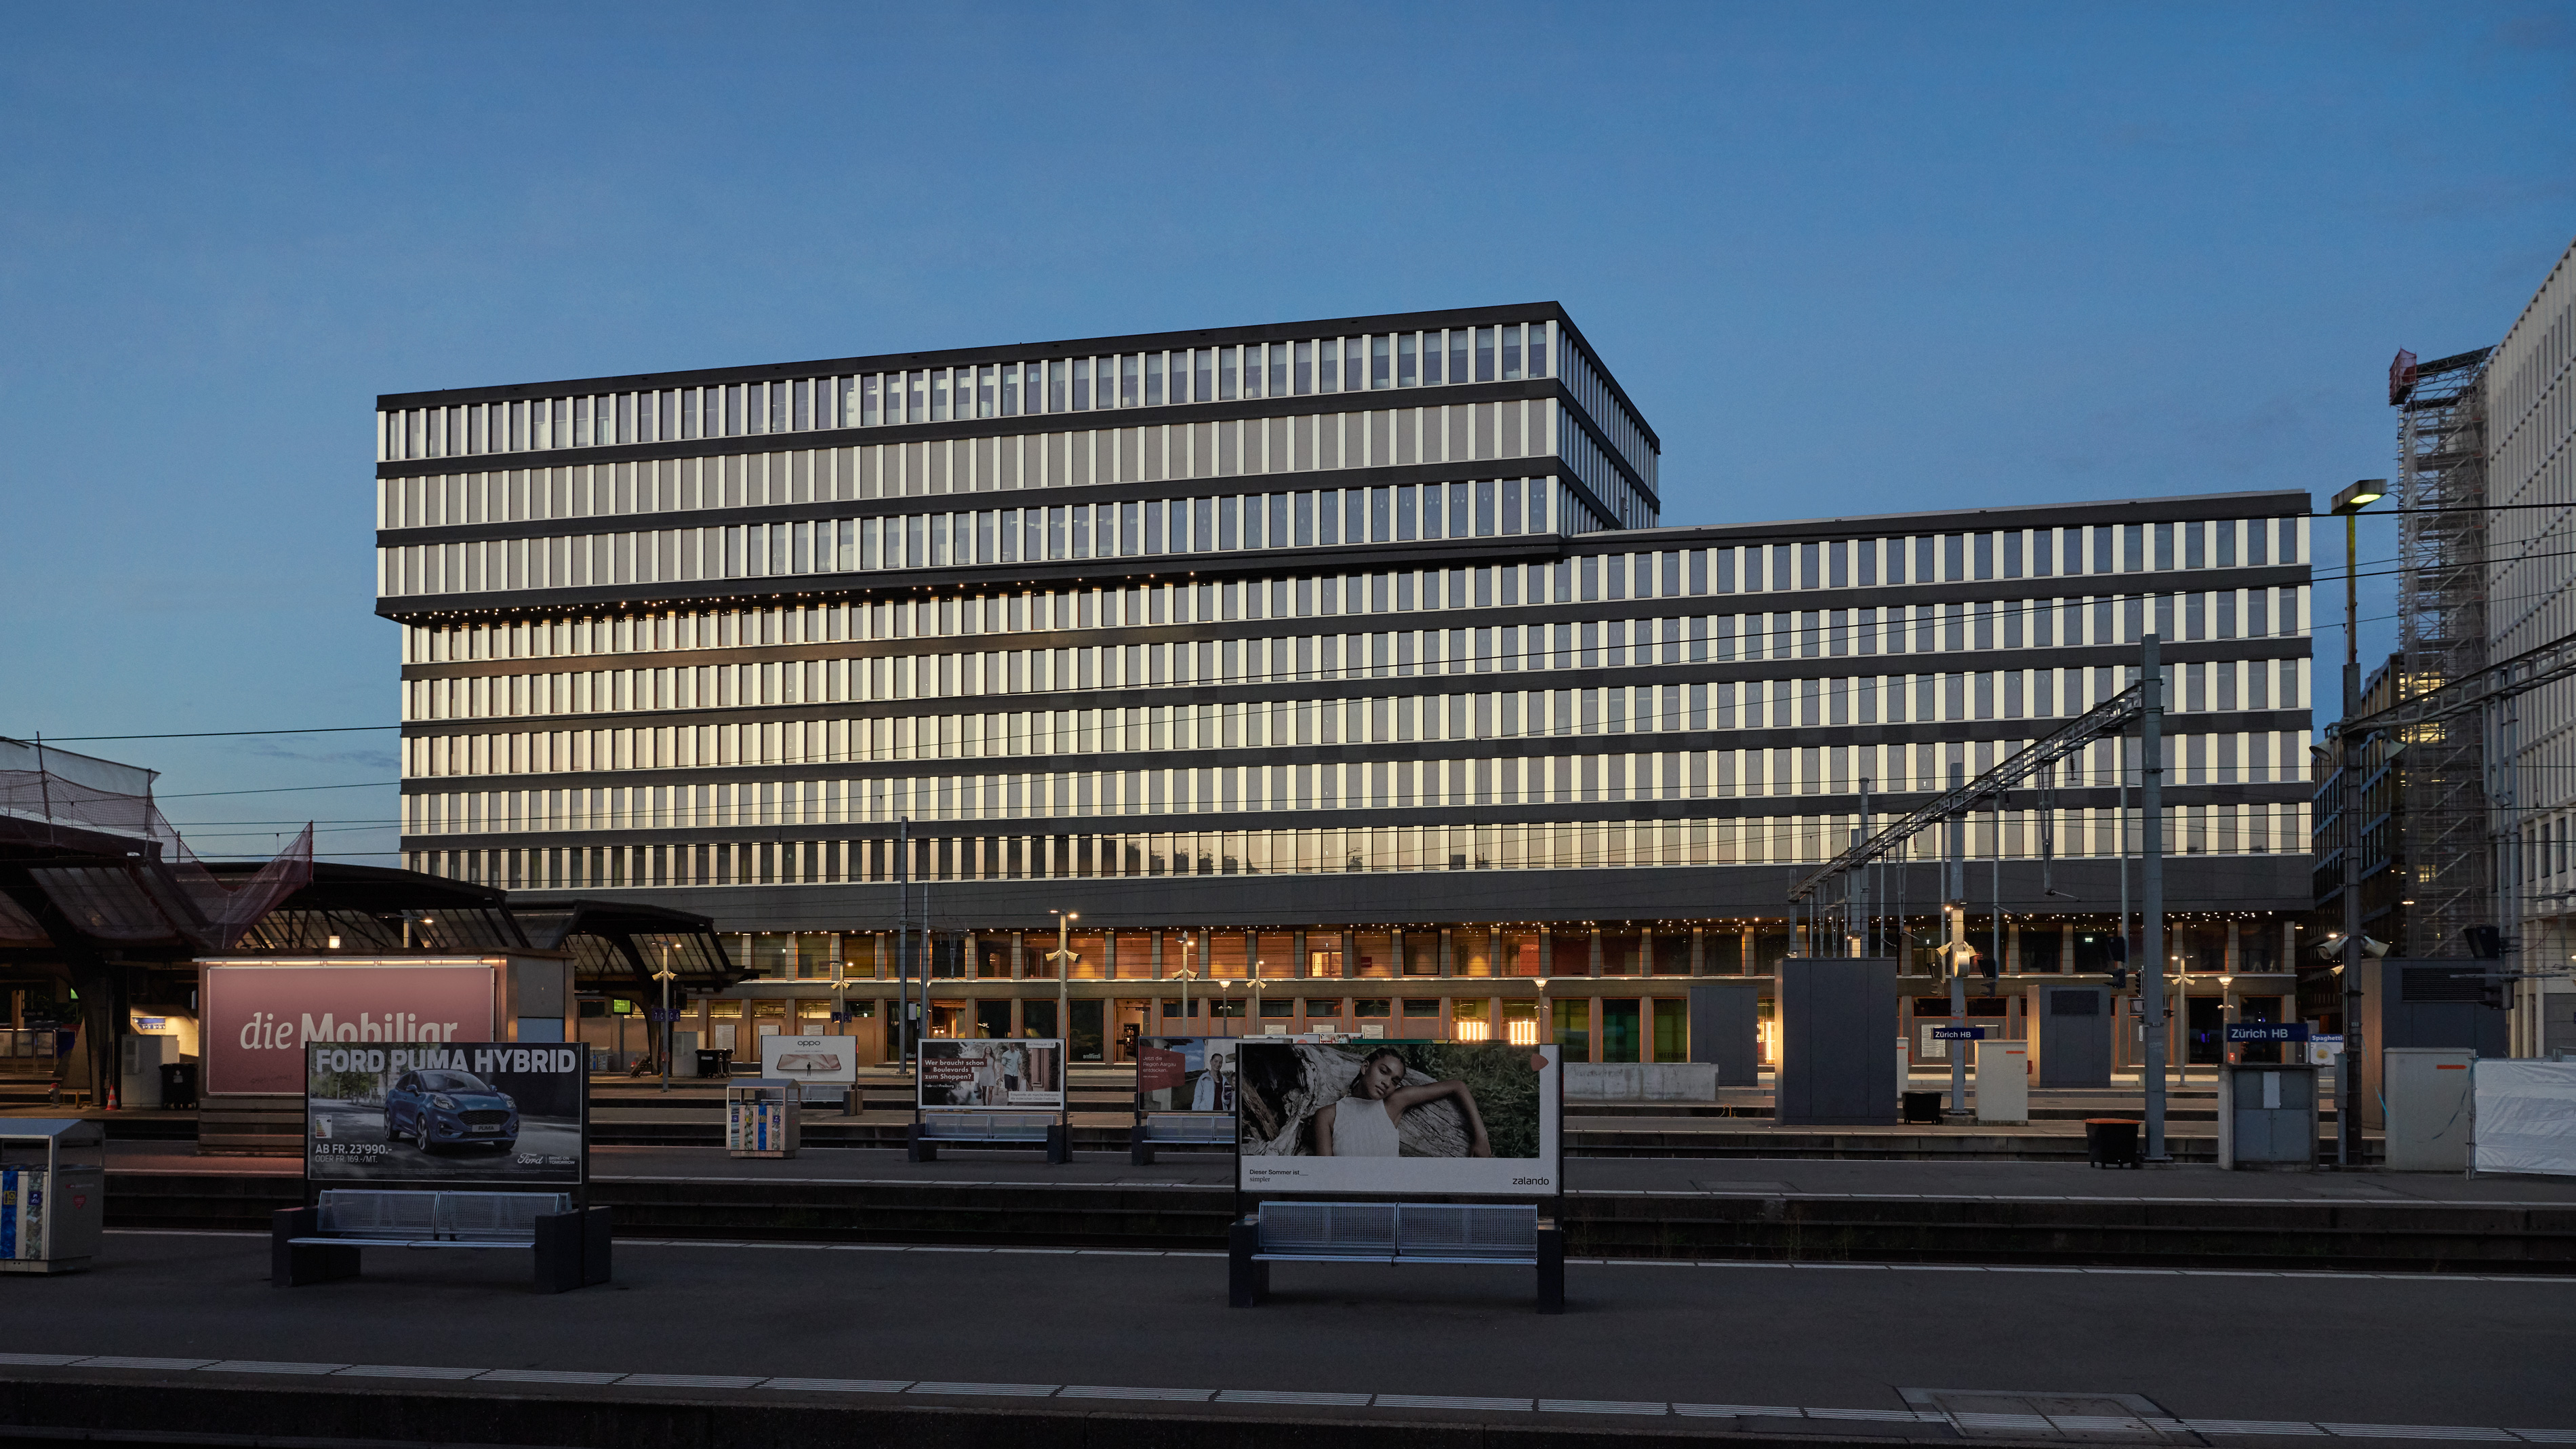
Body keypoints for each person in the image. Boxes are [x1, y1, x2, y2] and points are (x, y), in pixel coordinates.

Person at [1314, 1047, 1491, 1157]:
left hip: (1392, 1202)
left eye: (1394, 1081)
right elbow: (1327, 1176)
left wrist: (1481, 1138)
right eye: (1383, 1071)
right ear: (1365, 1067)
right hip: (1349, 1203)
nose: (1387, 1083)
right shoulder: (1328, 1116)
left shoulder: (1393, 1103)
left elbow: (1457, 1086)